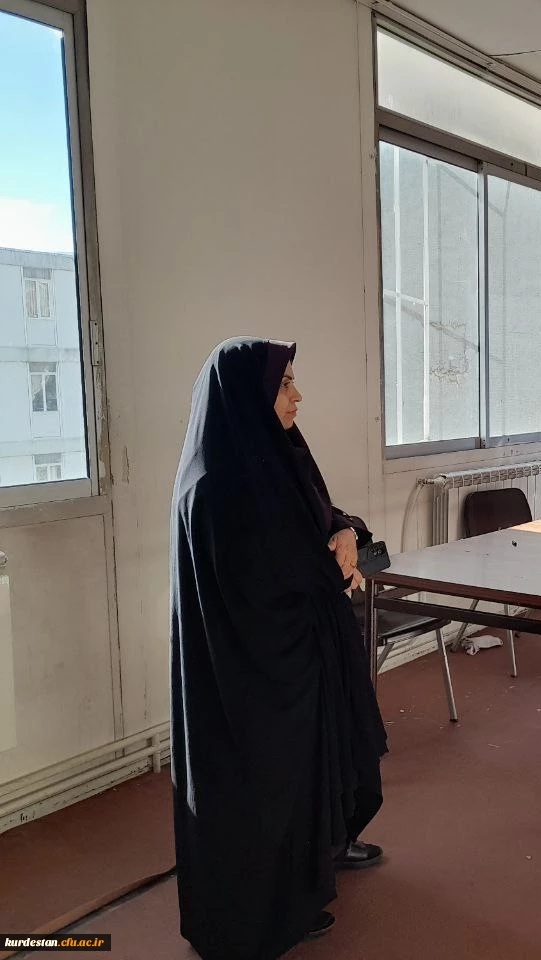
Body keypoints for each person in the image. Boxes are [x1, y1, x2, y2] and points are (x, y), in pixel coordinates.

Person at [170, 338, 387, 959]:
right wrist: (331, 565)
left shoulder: (273, 456)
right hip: (251, 678)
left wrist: (344, 533)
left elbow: (316, 515)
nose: (298, 396)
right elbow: (266, 574)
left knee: (314, 771)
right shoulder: (214, 487)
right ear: (248, 397)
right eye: (284, 384)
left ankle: (318, 859)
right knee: (266, 788)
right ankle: (264, 910)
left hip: (299, 659)